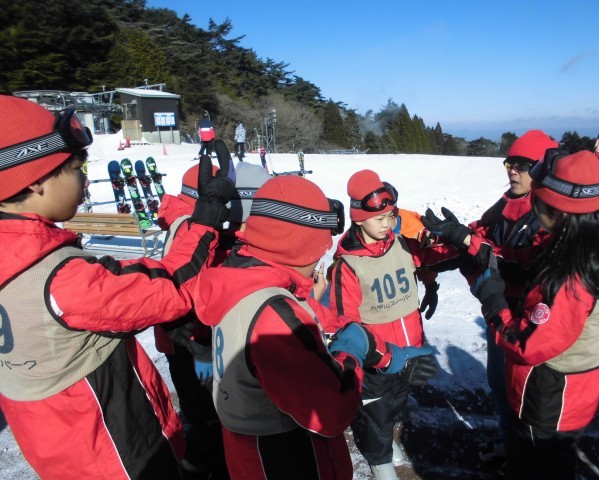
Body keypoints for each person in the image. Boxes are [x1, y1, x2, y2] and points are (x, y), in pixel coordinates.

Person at [0, 96, 234, 479]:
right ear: (36, 179)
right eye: (76, 168)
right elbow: (172, 286)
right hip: (121, 453)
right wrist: (206, 217)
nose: (84, 180)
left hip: (56, 447)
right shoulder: (61, 280)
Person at [192, 175, 433, 479]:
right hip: (285, 458)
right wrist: (350, 355)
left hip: (249, 451)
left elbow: (333, 323)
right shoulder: (276, 316)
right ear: (299, 245)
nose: (321, 258)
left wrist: (389, 356)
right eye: (319, 249)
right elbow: (333, 409)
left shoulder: (245, 277)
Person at [462, 149, 599, 479]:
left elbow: (527, 343)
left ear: (557, 209)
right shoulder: (579, 244)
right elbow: (522, 260)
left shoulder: (569, 275)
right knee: (551, 463)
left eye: (538, 204)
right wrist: (470, 244)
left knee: (537, 465)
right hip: (570, 394)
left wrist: (492, 299)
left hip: (549, 400)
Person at [424, 129, 559, 467]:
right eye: (509, 163)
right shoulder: (506, 204)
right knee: (500, 385)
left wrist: (466, 241)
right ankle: (510, 445)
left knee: (526, 395)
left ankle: (527, 459)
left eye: (523, 165)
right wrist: (436, 250)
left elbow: (518, 260)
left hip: (529, 319)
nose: (513, 171)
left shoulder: (551, 212)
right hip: (497, 311)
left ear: (544, 169)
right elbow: (481, 233)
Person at [329, 170, 455, 479]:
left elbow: (435, 257)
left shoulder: (401, 244)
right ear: (359, 220)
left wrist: (454, 238)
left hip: (409, 346)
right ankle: (379, 456)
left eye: (390, 216)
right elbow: (345, 321)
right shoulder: (349, 263)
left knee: (398, 400)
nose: (387, 223)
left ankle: (387, 438)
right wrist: (367, 354)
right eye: (379, 218)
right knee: (376, 410)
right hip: (378, 355)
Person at [154, 140, 239, 479]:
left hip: (184, 341)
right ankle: (205, 468)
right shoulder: (189, 228)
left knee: (201, 412)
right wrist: (200, 345)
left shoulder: (182, 219)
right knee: (207, 418)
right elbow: (182, 290)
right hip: (189, 342)